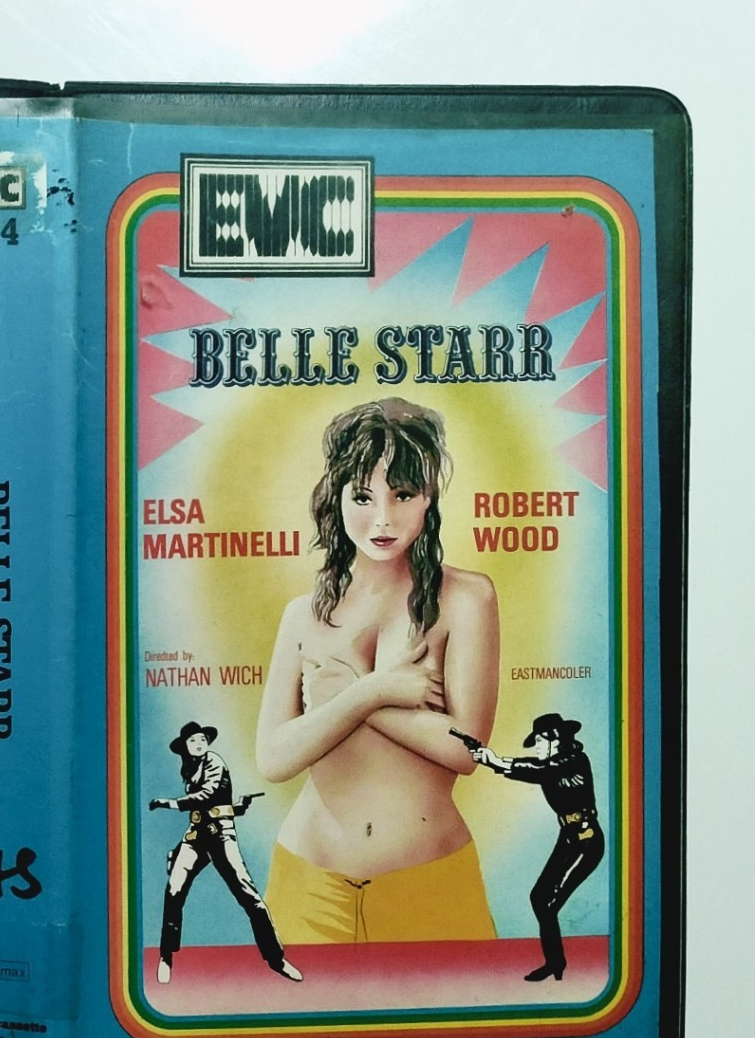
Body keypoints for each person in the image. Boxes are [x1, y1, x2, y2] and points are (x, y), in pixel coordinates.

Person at [254, 398, 500, 944]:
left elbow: (466, 751)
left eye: (403, 494)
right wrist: (376, 692)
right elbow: (273, 758)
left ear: (429, 496)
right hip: (308, 884)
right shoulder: (303, 615)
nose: (383, 519)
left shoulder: (467, 599)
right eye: (362, 496)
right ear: (336, 496)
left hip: (430, 884)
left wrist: (348, 695)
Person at [149, 721, 301, 984]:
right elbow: (215, 803)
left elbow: (207, 795)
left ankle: (276, 959)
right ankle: (166, 956)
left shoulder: (214, 762)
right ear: (185, 747)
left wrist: (171, 803)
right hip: (196, 835)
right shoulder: (189, 767)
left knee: (249, 896)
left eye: (202, 739)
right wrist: (238, 807)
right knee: (173, 891)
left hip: (220, 836)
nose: (199, 744)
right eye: (193, 741)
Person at [465, 713, 604, 981]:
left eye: (540, 741)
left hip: (586, 840)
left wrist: (495, 761)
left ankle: (556, 965)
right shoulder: (551, 765)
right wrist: (491, 761)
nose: (536, 747)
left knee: (548, 904)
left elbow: (542, 770)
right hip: (569, 837)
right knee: (539, 898)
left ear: (555, 740)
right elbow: (538, 769)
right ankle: (555, 963)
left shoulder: (573, 760)